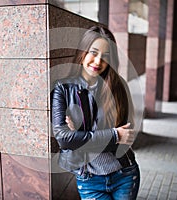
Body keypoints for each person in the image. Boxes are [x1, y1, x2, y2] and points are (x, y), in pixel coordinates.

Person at [51, 26, 140, 200]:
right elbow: (63, 140)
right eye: (94, 52)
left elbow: (126, 137)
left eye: (105, 56)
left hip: (124, 174)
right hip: (90, 180)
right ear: (83, 51)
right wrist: (114, 135)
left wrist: (79, 135)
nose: (98, 61)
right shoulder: (63, 88)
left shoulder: (117, 86)